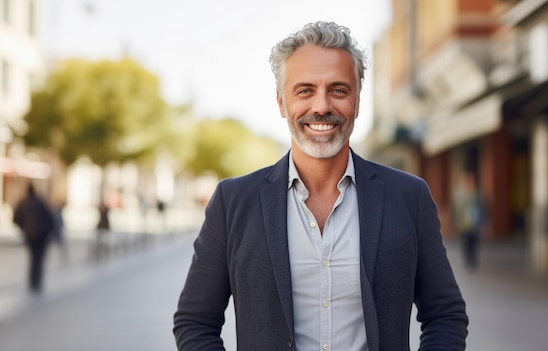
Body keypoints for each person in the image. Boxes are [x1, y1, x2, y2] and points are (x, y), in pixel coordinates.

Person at [174, 21, 468, 350]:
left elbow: (445, 314)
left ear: (356, 101)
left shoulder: (409, 197)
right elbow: (195, 322)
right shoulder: (234, 202)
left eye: (339, 90)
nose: (322, 106)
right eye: (305, 90)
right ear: (282, 103)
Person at [12, 182, 57, 293]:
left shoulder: (24, 203)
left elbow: (15, 219)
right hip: (41, 236)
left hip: (31, 236)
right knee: (38, 259)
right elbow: (50, 219)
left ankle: (33, 282)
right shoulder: (40, 202)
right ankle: (36, 282)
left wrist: (25, 228)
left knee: (33, 259)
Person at [452, 171, 486, 271]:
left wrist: (484, 222)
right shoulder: (459, 195)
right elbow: (455, 209)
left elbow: (483, 208)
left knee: (474, 242)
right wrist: (455, 221)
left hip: (475, 223)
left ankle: (473, 259)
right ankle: (467, 259)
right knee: (465, 243)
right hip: (463, 224)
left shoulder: (478, 194)